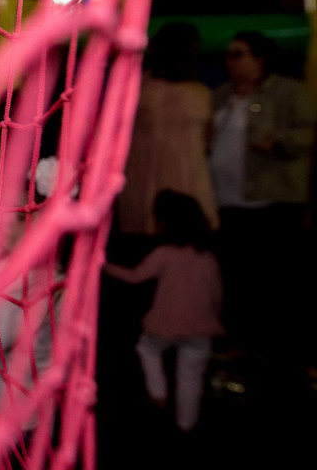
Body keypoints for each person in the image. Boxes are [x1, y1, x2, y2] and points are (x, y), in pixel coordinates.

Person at [208, 30, 315, 393]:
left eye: (239, 53)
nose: (231, 60)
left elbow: (310, 132)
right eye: (229, 54)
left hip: (272, 204)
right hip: (228, 204)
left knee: (275, 284)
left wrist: (279, 142)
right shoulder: (221, 95)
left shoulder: (287, 91)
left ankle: (282, 363)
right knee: (238, 283)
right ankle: (243, 355)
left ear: (261, 58)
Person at [104, 190, 223, 435]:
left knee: (147, 349)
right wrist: (213, 317)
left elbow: (135, 277)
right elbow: (217, 295)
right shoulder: (208, 258)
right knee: (190, 378)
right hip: (201, 328)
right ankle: (185, 427)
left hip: (165, 326)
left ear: (167, 222)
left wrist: (101, 264)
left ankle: (158, 395)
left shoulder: (165, 254)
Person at [115, 22, 217, 249]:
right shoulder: (200, 95)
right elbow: (210, 141)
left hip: (140, 189)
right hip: (189, 186)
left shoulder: (137, 92)